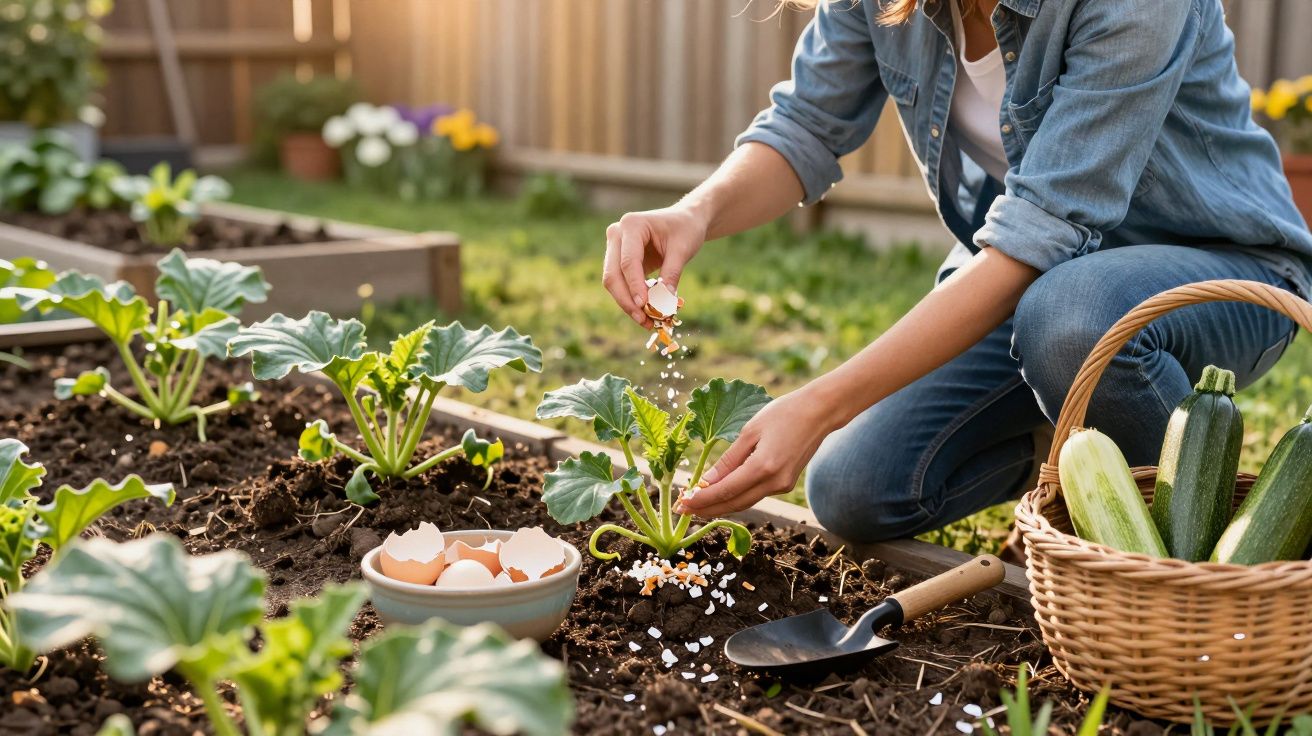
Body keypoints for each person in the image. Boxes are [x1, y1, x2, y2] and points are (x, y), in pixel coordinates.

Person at [601, 0, 1312, 543]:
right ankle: (1062, 446)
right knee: (853, 488)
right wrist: (693, 213)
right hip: (1036, 283)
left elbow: (1038, 234)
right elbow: (806, 126)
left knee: (1072, 318)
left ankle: (1211, 556)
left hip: (1221, 268)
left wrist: (818, 405)